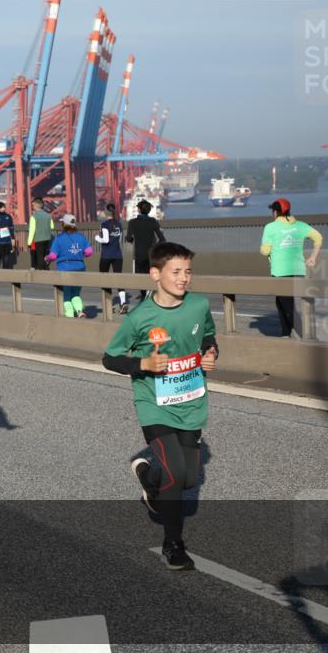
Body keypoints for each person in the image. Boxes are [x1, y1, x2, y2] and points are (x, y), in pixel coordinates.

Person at [102, 242, 219, 571]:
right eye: (176, 272)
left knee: (187, 479)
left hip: (191, 401)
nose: (184, 279)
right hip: (154, 403)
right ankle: (173, 544)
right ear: (155, 274)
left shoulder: (197, 306)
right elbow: (110, 358)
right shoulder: (140, 317)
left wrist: (210, 355)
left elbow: (209, 337)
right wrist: (143, 364)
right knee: (175, 471)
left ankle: (147, 476)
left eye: (188, 272)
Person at [260, 198, 322, 338]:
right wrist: (313, 257)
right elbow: (318, 237)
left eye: (273, 211)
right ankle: (286, 333)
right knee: (282, 302)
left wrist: (268, 249)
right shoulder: (300, 226)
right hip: (299, 271)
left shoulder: (270, 227)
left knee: (287, 305)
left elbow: (264, 251)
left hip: (280, 272)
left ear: (275, 212)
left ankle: (304, 334)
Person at [45, 215, 94, 318]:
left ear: (63, 224)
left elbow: (53, 256)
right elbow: (89, 252)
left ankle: (70, 315)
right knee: (76, 293)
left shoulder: (59, 239)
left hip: (65, 268)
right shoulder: (81, 237)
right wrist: (80, 254)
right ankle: (80, 311)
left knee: (67, 295)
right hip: (80, 268)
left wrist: (47, 258)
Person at [125, 199, 165, 302]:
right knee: (151, 275)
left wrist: (133, 239)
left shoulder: (133, 222)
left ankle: (143, 296)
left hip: (139, 254)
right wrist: (155, 247)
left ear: (138, 210)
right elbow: (162, 239)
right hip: (151, 254)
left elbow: (128, 238)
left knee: (140, 277)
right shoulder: (153, 221)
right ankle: (151, 295)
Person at [95, 202, 128, 314]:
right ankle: (123, 303)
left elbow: (105, 240)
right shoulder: (119, 224)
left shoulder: (104, 225)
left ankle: (109, 304)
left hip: (106, 255)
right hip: (118, 255)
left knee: (104, 278)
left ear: (105, 213)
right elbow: (119, 239)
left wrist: (97, 238)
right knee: (118, 278)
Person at [28, 197, 54, 270]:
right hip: (47, 238)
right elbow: (52, 226)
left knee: (39, 257)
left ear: (36, 206)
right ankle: (46, 269)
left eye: (33, 205)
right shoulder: (48, 216)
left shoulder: (34, 217)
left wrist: (29, 243)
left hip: (38, 239)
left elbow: (32, 231)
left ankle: (42, 273)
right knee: (45, 256)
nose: (32, 207)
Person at [0, 201, 15, 269]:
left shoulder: (8, 216)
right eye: (1, 207)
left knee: (6, 257)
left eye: (4, 207)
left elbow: (11, 228)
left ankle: (5, 272)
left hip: (7, 241)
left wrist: (13, 238)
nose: (3, 209)